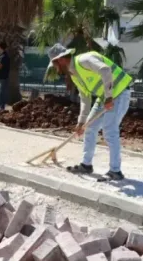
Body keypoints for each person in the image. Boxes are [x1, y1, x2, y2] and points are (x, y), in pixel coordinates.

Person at [46, 43, 133, 181]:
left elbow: (105, 70)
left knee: (109, 130)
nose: (56, 69)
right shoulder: (74, 74)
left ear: (61, 60)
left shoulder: (84, 60)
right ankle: (86, 165)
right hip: (105, 97)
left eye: (55, 65)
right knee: (89, 127)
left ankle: (115, 171)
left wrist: (109, 96)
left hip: (119, 93)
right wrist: (81, 122)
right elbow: (85, 99)